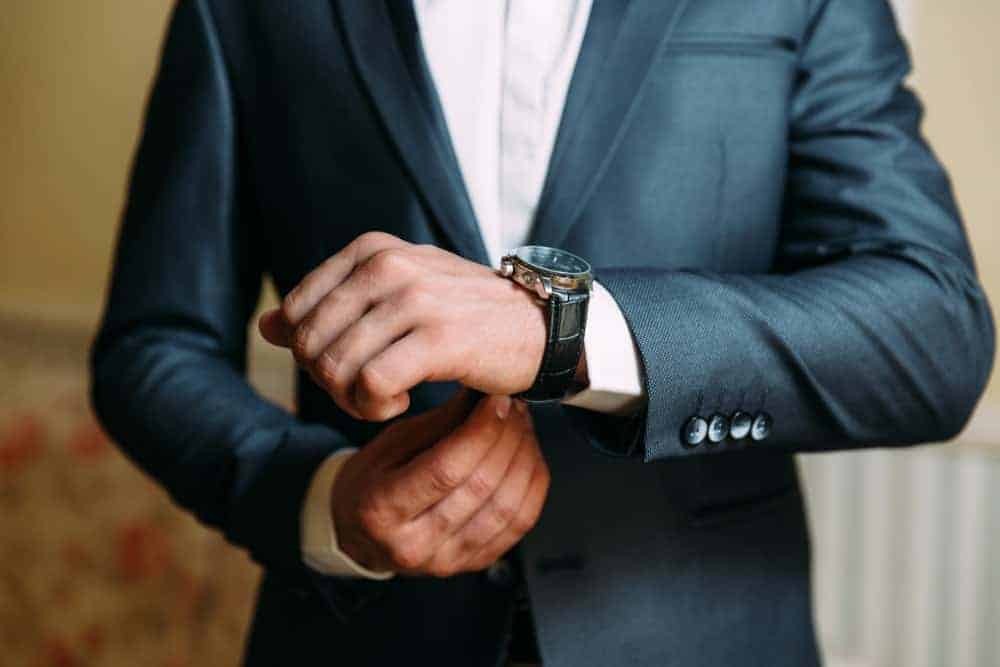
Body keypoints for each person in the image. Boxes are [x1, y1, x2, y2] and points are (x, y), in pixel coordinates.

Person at [90, 0, 995, 665]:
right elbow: (152, 344)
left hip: (701, 632)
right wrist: (323, 501)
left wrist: (557, 331)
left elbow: (933, 331)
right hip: (363, 640)